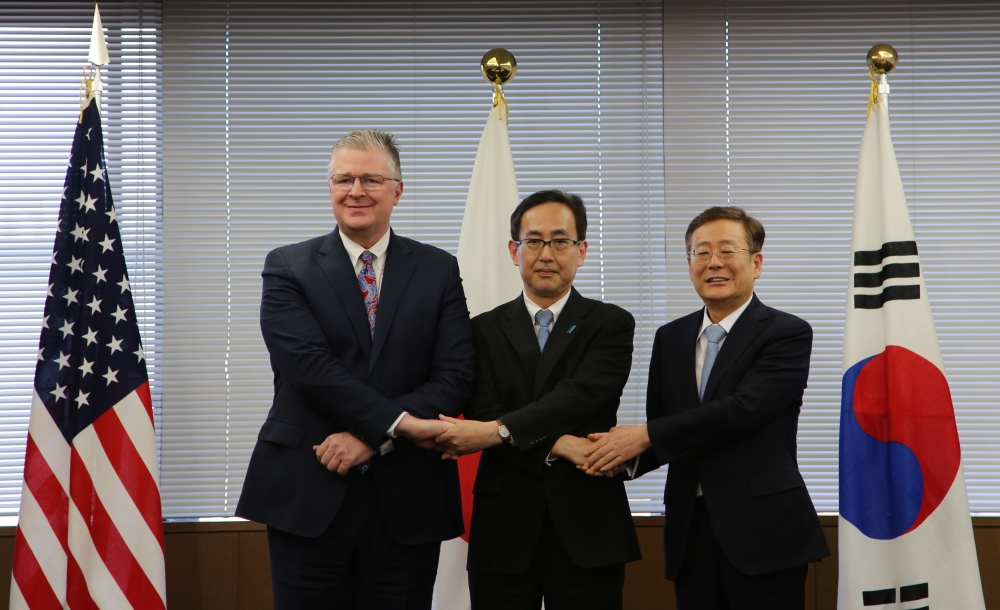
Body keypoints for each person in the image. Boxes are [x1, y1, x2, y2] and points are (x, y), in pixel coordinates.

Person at [235, 129, 475, 609]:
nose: (356, 191)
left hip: (406, 499)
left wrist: (374, 437)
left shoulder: (438, 269)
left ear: (397, 190)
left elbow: (456, 377)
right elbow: (308, 368)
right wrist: (400, 423)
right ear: (330, 188)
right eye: (344, 179)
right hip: (307, 489)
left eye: (371, 179)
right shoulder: (287, 266)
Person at [583, 206, 830, 609]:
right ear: (689, 263)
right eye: (701, 252)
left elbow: (744, 410)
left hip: (765, 532)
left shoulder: (787, 332)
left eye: (727, 250)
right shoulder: (670, 338)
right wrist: (610, 456)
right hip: (690, 533)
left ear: (757, 262)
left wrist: (642, 436)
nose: (713, 263)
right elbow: (666, 427)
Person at [434, 190, 641, 610]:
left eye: (561, 241)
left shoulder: (611, 323)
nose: (547, 253)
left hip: (588, 521)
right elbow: (481, 412)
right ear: (515, 250)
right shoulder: (481, 330)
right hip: (503, 527)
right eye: (534, 241)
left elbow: (582, 397)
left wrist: (502, 431)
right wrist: (559, 444)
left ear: (581, 251)